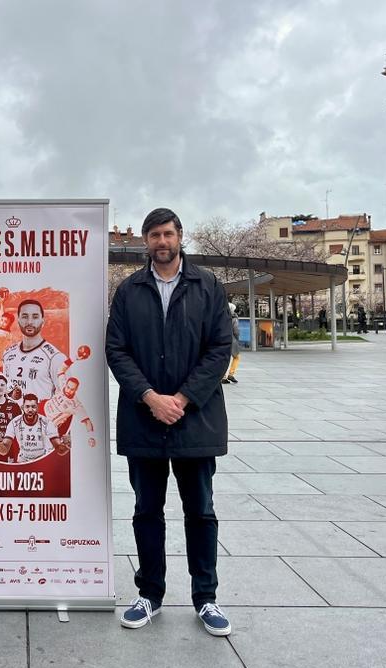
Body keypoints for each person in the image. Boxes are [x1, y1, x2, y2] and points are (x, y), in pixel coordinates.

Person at [106, 207, 233, 637]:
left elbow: (219, 349)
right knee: (147, 511)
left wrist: (180, 399)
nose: (162, 242)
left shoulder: (207, 286)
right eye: (154, 235)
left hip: (195, 421)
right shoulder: (128, 291)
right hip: (144, 421)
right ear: (145, 242)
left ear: (180, 237)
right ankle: (150, 594)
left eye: (168, 234)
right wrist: (149, 397)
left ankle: (206, 598)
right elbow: (116, 350)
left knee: (200, 511)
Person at [1, 298, 69, 401]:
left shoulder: (55, 358)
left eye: (35, 317)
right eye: (25, 316)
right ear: (18, 320)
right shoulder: (7, 354)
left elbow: (67, 399)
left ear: (43, 321)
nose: (29, 322)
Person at [0, 394, 69, 463]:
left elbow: (59, 449)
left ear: (37, 407)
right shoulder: (14, 423)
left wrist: (66, 445)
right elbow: (4, 451)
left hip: (41, 461)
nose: (30, 410)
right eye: (27, 407)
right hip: (23, 462)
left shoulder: (47, 423)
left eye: (33, 406)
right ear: (22, 407)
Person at [43, 376, 97, 448]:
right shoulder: (63, 384)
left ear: (76, 390)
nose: (68, 390)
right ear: (66, 385)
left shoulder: (76, 405)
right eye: (68, 387)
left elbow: (87, 422)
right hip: (43, 408)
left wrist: (91, 437)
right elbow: (61, 370)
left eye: (72, 389)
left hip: (51, 421)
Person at [223, 302, 240, 385]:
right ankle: (231, 374)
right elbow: (236, 331)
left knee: (225, 358)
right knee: (236, 357)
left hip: (222, 339)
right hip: (232, 340)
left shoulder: (222, 317)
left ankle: (223, 377)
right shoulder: (234, 318)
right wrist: (237, 338)